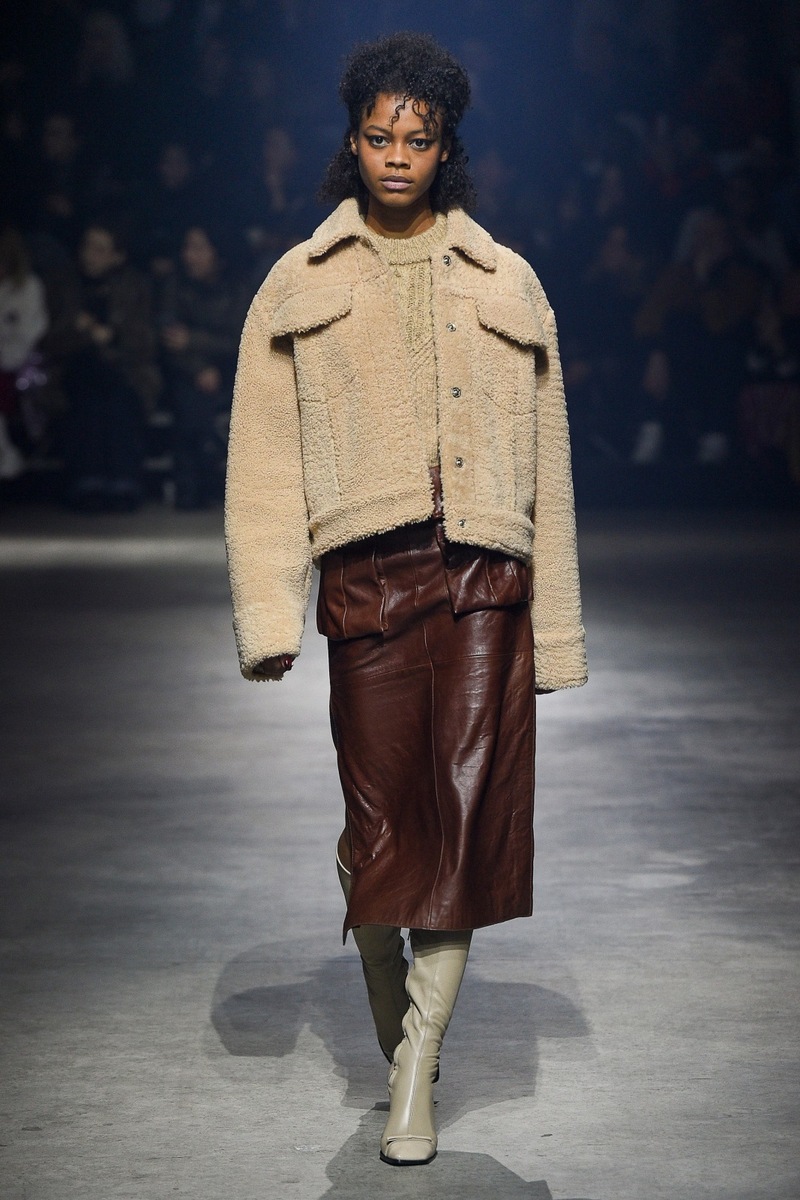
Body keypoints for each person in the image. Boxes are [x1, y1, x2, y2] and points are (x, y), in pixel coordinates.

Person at [224, 33, 587, 1167]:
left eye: (416, 140)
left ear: (444, 149)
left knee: (464, 819)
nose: (395, 155)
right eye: (378, 136)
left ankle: (416, 1068)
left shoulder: (506, 281)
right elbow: (264, 459)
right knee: (380, 822)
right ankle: (391, 999)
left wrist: (557, 631)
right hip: (369, 582)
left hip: (484, 578)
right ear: (352, 140)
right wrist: (267, 612)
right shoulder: (300, 281)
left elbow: (548, 466)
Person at [45, 216, 160, 510]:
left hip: (126, 371)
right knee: (86, 401)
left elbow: (145, 342)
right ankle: (87, 483)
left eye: (100, 249)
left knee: (120, 403)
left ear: (117, 256)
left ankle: (125, 482)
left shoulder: (134, 286)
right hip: (72, 369)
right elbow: (49, 339)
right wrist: (84, 334)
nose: (89, 255)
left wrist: (111, 336)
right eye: (87, 247)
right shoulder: (66, 284)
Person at [159, 223, 249, 509]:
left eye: (199, 248)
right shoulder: (175, 286)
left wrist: (194, 340)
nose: (190, 255)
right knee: (190, 403)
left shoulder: (238, 288)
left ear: (218, 254)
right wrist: (198, 368)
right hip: (187, 372)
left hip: (234, 369)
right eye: (187, 247)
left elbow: (240, 338)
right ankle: (191, 488)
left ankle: (223, 486)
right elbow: (170, 340)